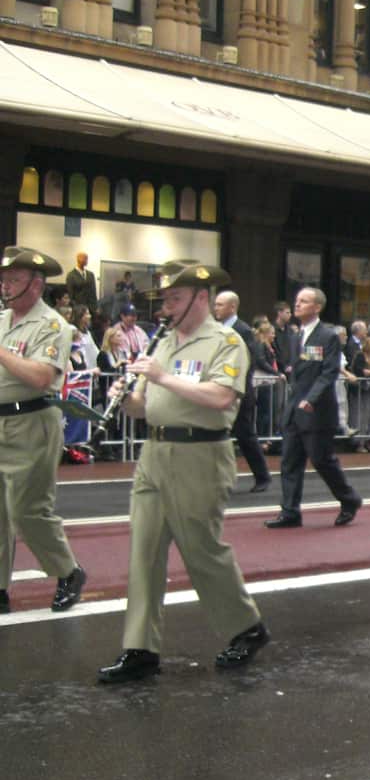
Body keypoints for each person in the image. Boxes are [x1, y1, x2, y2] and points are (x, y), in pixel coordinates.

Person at [97, 263, 268, 683]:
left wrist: (163, 377)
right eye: (165, 299)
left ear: (201, 297)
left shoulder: (226, 341)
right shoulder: (164, 342)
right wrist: (126, 398)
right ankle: (139, 647)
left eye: (175, 298)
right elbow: (145, 405)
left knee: (201, 549)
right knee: (144, 551)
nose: (167, 306)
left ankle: (246, 627)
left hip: (200, 454)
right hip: (155, 452)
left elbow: (220, 395)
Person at [0, 247, 87, 614]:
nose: (5, 286)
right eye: (3, 279)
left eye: (14, 280)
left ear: (36, 285)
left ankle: (68, 570)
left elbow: (41, 377)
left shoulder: (53, 325)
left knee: (27, 510)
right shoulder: (3, 319)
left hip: (31, 422)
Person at [264, 286, 363, 528]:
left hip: (317, 410)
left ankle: (349, 499)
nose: (297, 305)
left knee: (322, 460)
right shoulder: (295, 336)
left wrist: (312, 398)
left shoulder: (327, 336)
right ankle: (290, 512)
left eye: (304, 301)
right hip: (295, 408)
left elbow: (328, 373)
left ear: (317, 307)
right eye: (297, 300)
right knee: (289, 461)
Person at [213, 290, 271, 493]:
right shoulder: (215, 329)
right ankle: (218, 479)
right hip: (219, 390)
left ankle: (262, 476)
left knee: (246, 435)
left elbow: (248, 361)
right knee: (216, 435)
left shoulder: (243, 330)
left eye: (220, 304)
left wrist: (238, 389)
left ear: (232, 307)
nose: (216, 308)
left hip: (240, 392)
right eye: (216, 304)